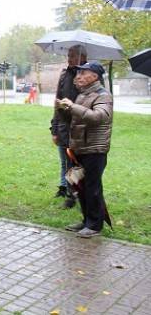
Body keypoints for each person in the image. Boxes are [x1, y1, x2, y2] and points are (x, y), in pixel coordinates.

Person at [56, 61, 113, 238]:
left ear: (94, 76)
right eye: (77, 74)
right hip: (79, 148)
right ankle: (86, 220)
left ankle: (95, 226)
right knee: (80, 186)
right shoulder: (82, 95)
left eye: (83, 74)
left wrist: (72, 107)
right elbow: (74, 119)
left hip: (94, 150)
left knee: (92, 187)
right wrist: (64, 110)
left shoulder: (103, 96)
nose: (78, 77)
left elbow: (99, 117)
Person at [51, 45, 87, 208]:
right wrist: (55, 128)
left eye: (73, 55)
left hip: (80, 127)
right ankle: (67, 190)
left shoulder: (88, 76)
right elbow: (58, 102)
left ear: (82, 57)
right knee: (65, 161)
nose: (69, 58)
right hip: (64, 126)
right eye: (68, 55)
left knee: (77, 163)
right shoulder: (65, 74)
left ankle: (76, 194)